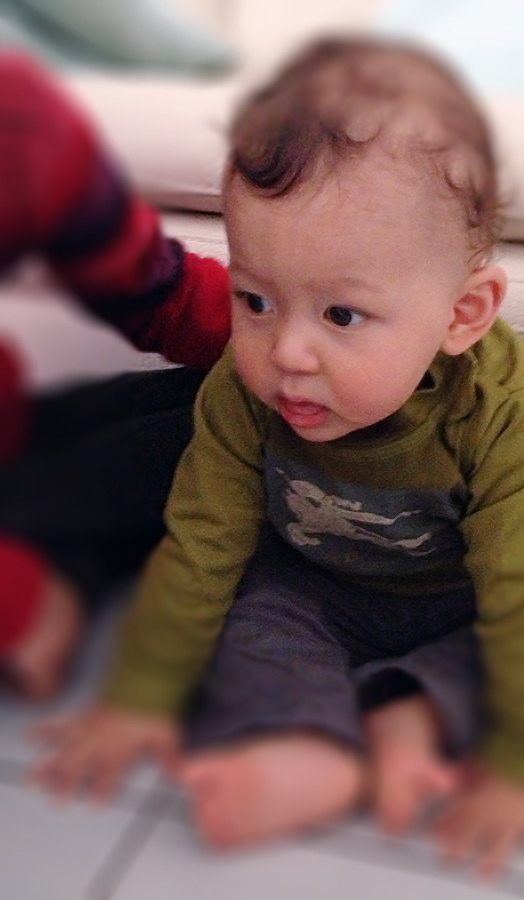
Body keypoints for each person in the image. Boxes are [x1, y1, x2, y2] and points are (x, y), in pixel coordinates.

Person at [34, 38, 524, 880]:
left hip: (460, 595)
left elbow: (521, 592)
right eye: (255, 299)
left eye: (341, 317)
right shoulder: (241, 390)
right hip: (311, 584)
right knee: (249, 614)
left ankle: (413, 712)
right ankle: (311, 748)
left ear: (463, 315)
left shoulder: (507, 410)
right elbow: (201, 545)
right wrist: (139, 698)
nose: (286, 354)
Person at [0, 52, 231, 698]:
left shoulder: (22, 120)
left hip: (14, 432)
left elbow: (154, 289)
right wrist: (19, 601)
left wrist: (298, 335)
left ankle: (65, 557)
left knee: (240, 413)